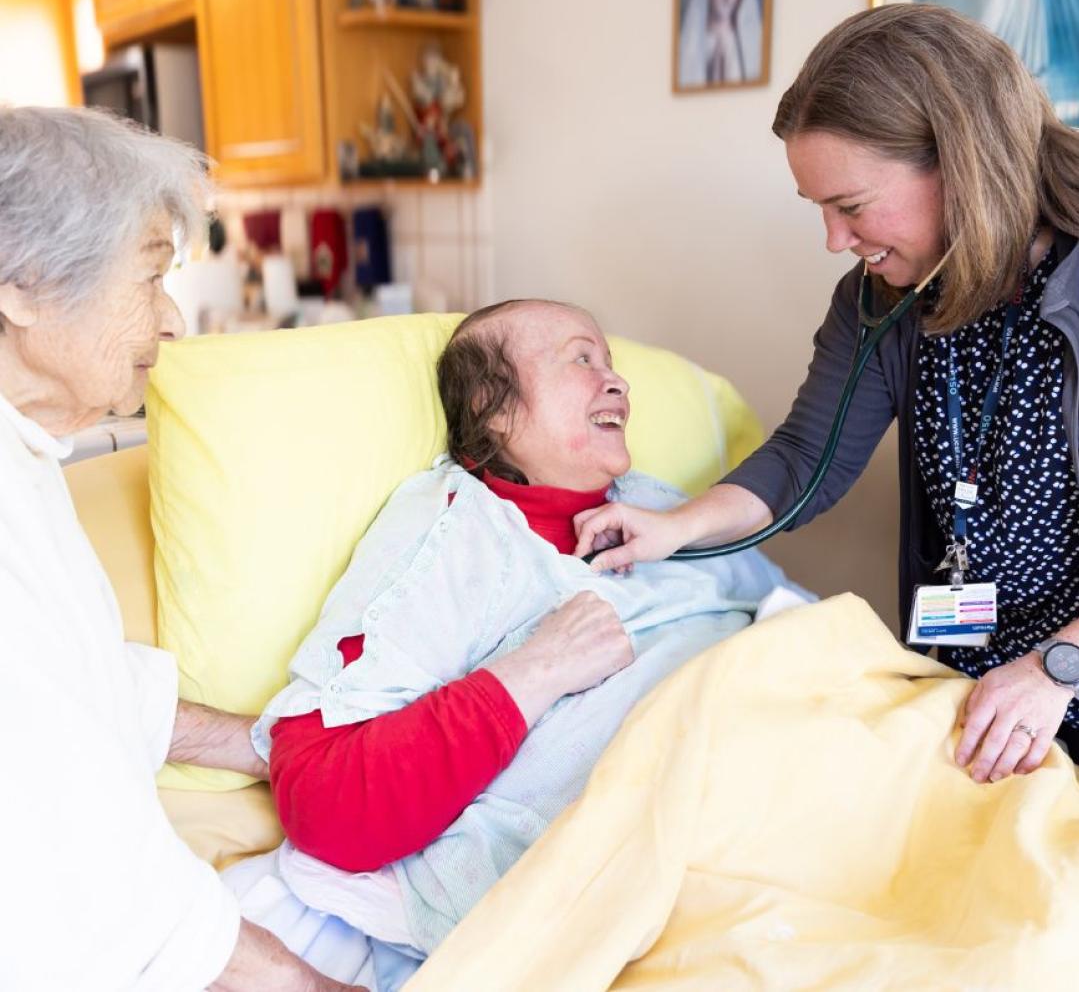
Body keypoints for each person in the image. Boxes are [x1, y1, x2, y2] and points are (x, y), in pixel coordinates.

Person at [576, 3, 1079, 789]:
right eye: (819, 210)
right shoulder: (883, 300)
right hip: (968, 693)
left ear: (961, 162)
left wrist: (1056, 669)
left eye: (849, 206)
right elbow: (804, 458)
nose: (834, 241)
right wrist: (672, 529)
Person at [236, 299, 801, 989]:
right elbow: (324, 797)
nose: (616, 382)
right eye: (580, 359)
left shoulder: (664, 510)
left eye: (612, 363)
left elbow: (799, 626)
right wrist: (537, 669)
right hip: (679, 852)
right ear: (493, 408)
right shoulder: (457, 535)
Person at [0, 106, 365, 992]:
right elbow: (96, 886)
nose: (171, 321)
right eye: (149, 277)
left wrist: (281, 744)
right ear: (24, 286)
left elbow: (83, 684)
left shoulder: (27, 450)